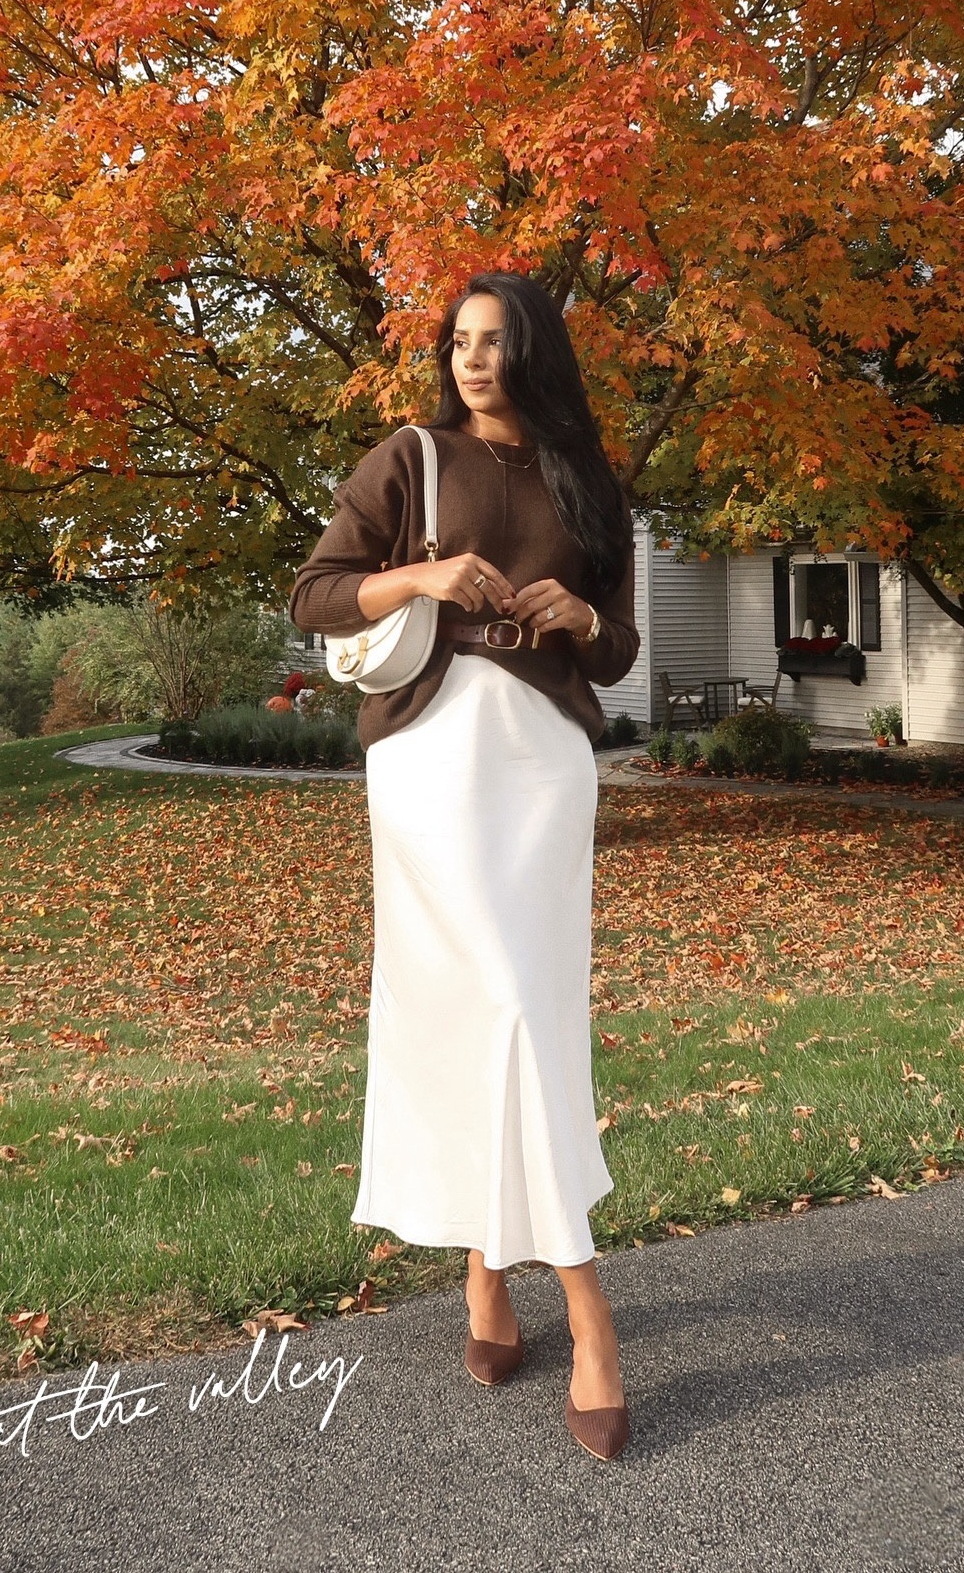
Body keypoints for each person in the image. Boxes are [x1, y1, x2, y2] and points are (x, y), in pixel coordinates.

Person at [288, 271, 642, 1462]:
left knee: (532, 1013)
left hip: (545, 758)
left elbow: (624, 644)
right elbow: (315, 596)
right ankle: (591, 1320)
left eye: (494, 342)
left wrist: (582, 620)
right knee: (491, 1006)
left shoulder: (589, 477)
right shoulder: (409, 457)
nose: (472, 360)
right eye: (458, 341)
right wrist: (427, 576)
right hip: (433, 756)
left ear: (533, 349)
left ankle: (491, 1276)